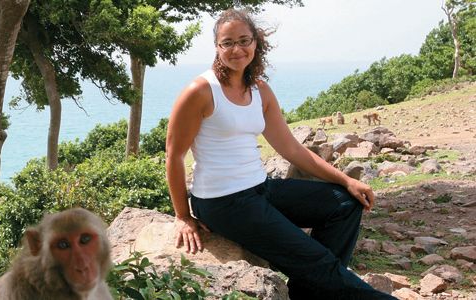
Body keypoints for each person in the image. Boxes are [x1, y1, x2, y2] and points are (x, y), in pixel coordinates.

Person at [165, 8, 397, 300]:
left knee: (345, 204)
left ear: (255, 43)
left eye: (243, 40)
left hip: (261, 189)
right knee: (318, 261)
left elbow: (291, 148)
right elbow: (174, 156)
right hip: (223, 203)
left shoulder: (260, 90)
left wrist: (346, 181)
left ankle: (309, 292)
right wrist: (182, 216)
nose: (236, 49)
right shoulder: (200, 91)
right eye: (227, 42)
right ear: (217, 47)